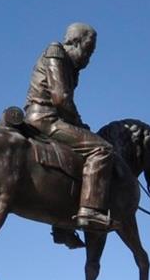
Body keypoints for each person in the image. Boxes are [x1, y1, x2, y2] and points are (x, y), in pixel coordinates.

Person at [23, 23, 114, 231]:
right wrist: (79, 123)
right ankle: (90, 211)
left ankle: (63, 228)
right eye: (88, 50)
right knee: (102, 149)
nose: (89, 58)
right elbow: (61, 98)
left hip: (46, 118)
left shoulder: (70, 66)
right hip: (46, 120)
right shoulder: (57, 53)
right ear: (75, 42)